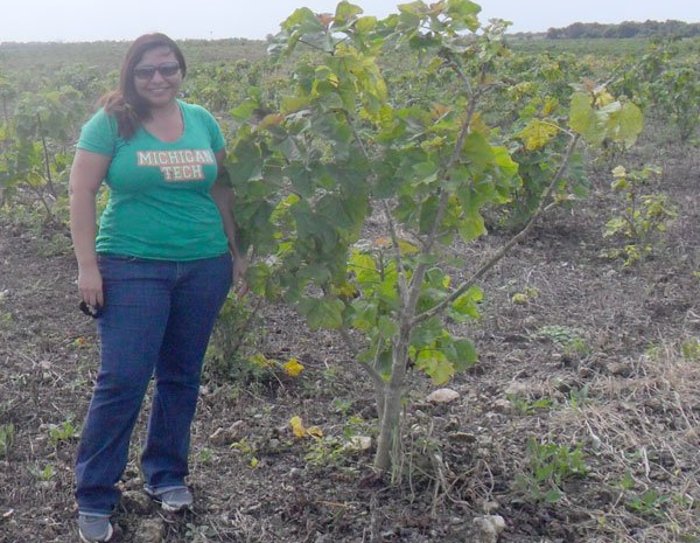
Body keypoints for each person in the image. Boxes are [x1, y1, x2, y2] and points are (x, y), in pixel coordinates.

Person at [69, 33, 243, 543]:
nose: (158, 79)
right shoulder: (112, 123)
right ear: (131, 74)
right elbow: (81, 191)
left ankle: (166, 475)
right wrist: (87, 266)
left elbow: (221, 186)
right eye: (146, 71)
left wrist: (237, 252)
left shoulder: (202, 119)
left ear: (181, 70)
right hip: (131, 265)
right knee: (122, 379)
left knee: (181, 376)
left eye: (168, 69)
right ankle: (95, 494)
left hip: (203, 265)